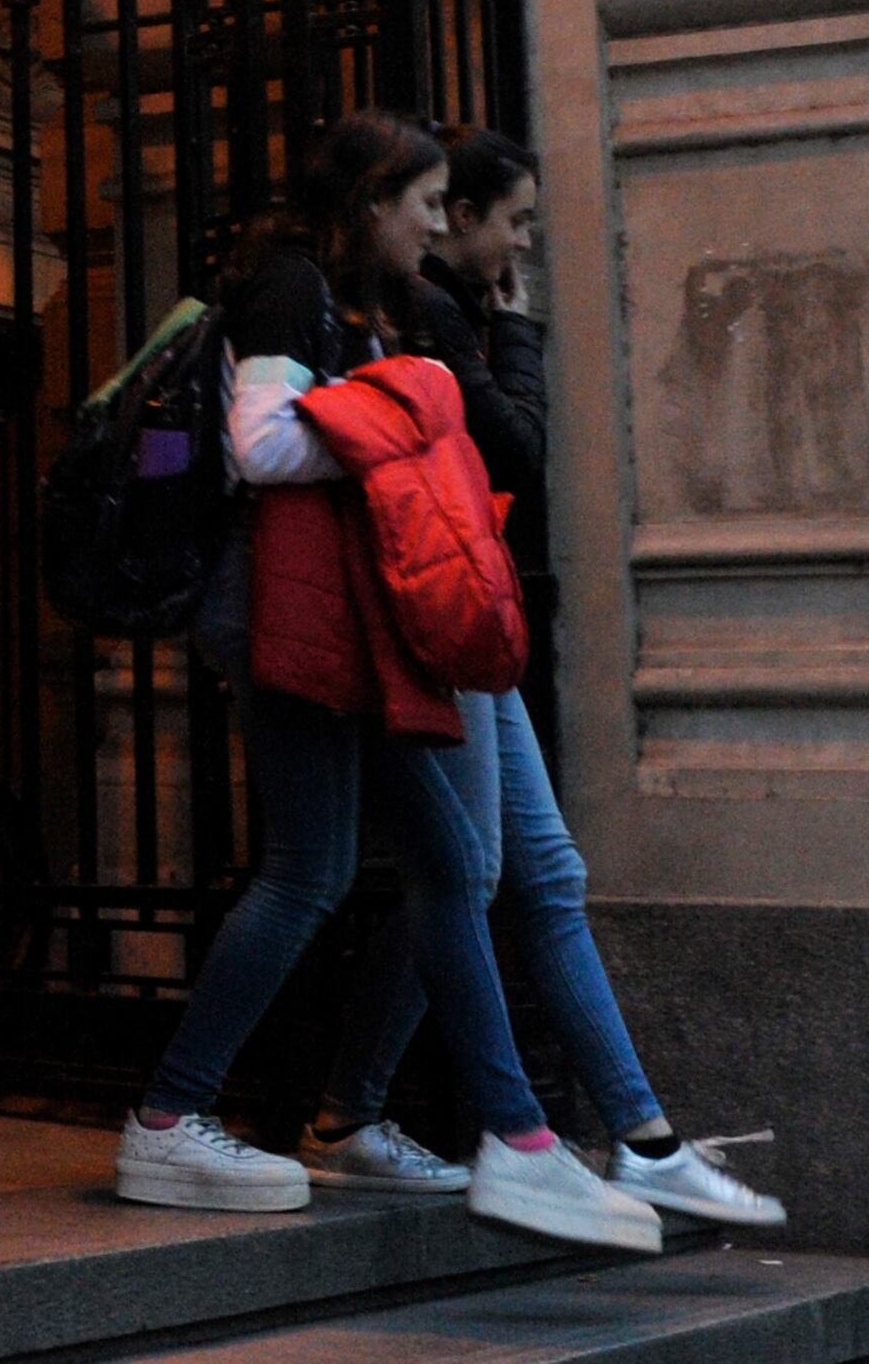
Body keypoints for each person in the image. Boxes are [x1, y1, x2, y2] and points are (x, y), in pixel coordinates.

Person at [113, 111, 658, 1254]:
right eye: (420, 198)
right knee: (312, 873)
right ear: (368, 199)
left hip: (350, 623)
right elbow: (262, 447)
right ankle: (170, 1111)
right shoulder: (287, 286)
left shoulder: (350, 299)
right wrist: (404, 424)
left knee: (448, 862)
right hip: (293, 620)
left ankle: (510, 1138)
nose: (433, 218)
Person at [290, 129, 783, 1234]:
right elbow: (513, 444)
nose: (513, 240)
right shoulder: (420, 313)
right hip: (429, 612)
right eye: (499, 218)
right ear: (438, 210)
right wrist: (510, 333)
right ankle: (545, 1133)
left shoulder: (399, 308)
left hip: (462, 611)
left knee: (524, 870)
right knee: (464, 872)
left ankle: (377, 1113)